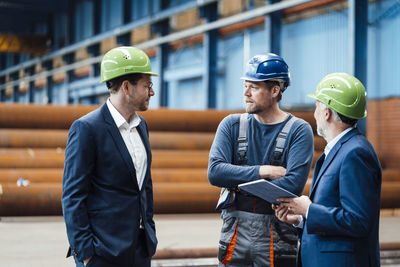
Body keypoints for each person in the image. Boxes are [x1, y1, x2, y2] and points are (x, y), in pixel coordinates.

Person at [208, 53, 314, 266]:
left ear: (275, 91)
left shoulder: (299, 131)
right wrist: (263, 171)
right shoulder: (231, 125)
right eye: (245, 86)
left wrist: (237, 182)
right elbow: (215, 173)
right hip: (234, 231)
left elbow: (292, 185)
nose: (246, 93)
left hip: (278, 233)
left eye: (254, 87)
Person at [62, 46, 158, 267]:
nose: (151, 92)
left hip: (139, 249)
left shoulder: (141, 126)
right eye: (147, 86)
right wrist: (86, 253)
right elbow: (72, 196)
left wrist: (149, 233)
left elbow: (144, 186)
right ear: (126, 87)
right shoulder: (87, 129)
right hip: (102, 253)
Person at [273, 73, 382, 267]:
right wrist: (300, 218)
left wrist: (309, 209)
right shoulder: (340, 151)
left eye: (316, 106)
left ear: (326, 113)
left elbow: (359, 222)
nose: (314, 113)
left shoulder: (355, 153)